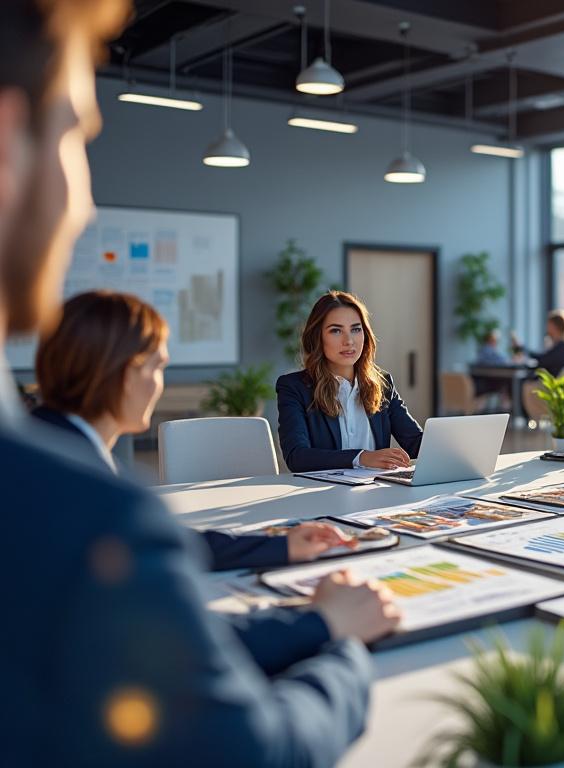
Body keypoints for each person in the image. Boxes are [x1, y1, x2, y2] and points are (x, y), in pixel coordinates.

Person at [0, 2, 399, 765]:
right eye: (79, 137)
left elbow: (157, 645)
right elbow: (252, 749)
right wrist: (341, 646)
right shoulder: (80, 510)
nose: (81, 203)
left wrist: (298, 594)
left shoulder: (57, 501)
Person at [32, 290, 350, 570]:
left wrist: (283, 546)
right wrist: (325, 622)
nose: (160, 383)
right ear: (129, 375)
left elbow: (169, 541)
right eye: (158, 367)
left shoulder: (48, 446)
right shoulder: (89, 484)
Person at [277, 290, 423, 472]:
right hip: (321, 495)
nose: (349, 341)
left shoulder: (383, 384)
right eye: (336, 331)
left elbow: (416, 443)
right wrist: (362, 457)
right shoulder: (294, 387)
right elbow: (297, 457)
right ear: (318, 337)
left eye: (355, 329)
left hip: (379, 493)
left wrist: (456, 448)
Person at [512, 308, 564, 376]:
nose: (547, 328)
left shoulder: (562, 348)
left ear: (554, 327)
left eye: (548, 324)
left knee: (525, 383)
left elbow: (542, 361)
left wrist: (521, 348)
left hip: (554, 385)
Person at [472, 328, 512, 403]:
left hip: (482, 380)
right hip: (485, 381)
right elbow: (501, 361)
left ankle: (506, 406)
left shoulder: (485, 349)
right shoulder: (487, 350)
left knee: (506, 382)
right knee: (507, 382)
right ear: (491, 339)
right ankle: (509, 407)